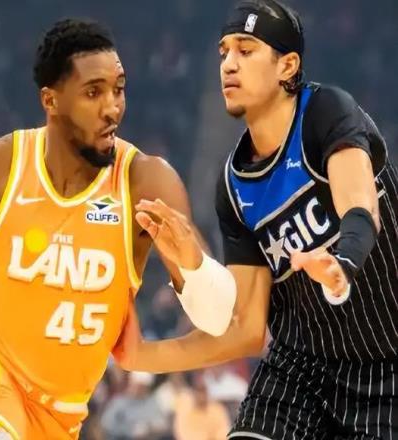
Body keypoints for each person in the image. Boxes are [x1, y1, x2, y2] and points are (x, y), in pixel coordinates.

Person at [0, 19, 239, 439]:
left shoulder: (146, 182)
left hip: (62, 416)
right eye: (93, 92)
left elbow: (218, 319)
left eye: (118, 89)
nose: (112, 107)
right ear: (51, 100)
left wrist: (193, 266)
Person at [113, 1, 398, 439]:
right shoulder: (232, 185)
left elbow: (361, 207)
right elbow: (245, 330)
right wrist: (141, 356)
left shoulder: (325, 112)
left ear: (288, 65)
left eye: (245, 51)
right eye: (224, 52)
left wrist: (341, 265)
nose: (228, 64)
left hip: (386, 362)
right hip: (301, 369)